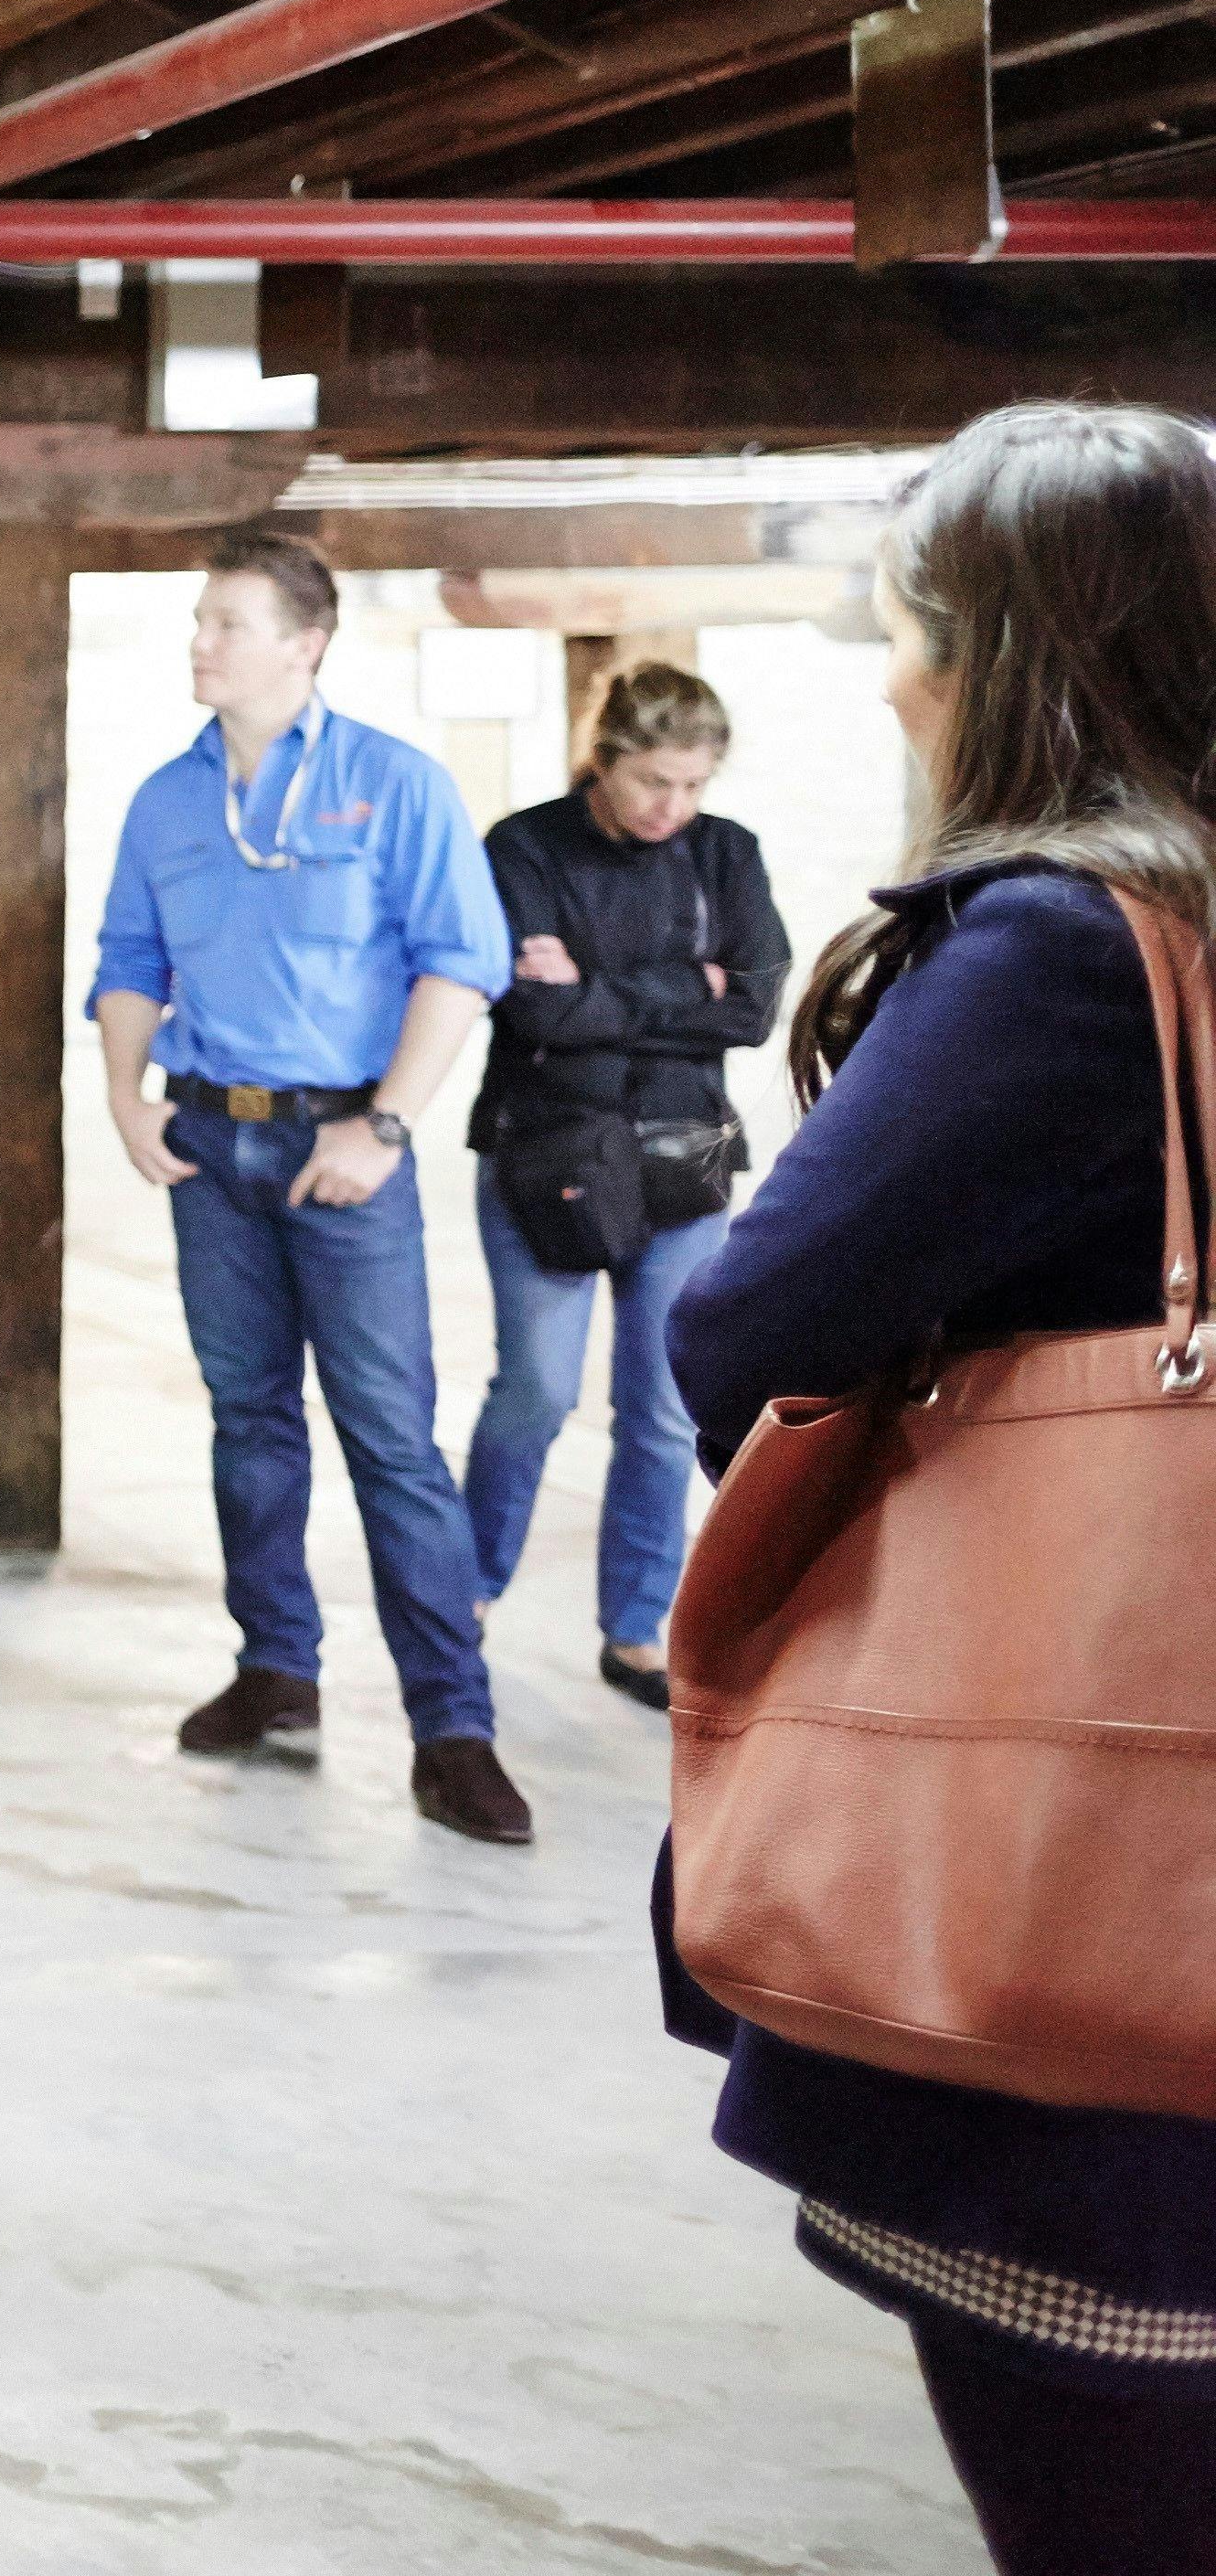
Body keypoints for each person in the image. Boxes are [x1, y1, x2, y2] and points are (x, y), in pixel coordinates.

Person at [664, 401, 1216, 2572]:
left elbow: (756, 1313)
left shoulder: (1070, 951)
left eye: (910, 625)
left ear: (1012, 659)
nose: (887, 673)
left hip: (1098, 1874)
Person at [89, 527, 532, 1843]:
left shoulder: (392, 786)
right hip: (210, 1148)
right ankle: (275, 1669)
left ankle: (454, 1731)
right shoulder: (168, 801)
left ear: (305, 642)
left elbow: (464, 965)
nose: (201, 642)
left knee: (391, 1443)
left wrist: (384, 1126)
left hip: (346, 1155)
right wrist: (125, 1094)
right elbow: (127, 956)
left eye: (227, 621)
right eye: (199, 621)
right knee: (249, 1425)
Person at [459, 660, 790, 1715]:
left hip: (681, 1161)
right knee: (537, 1391)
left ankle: (636, 1630)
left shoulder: (727, 855)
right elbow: (530, 1015)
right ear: (605, 760)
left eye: (693, 785)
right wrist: (680, 989)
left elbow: (754, 1005)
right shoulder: (523, 846)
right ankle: (462, 1593)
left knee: (658, 1410)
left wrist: (599, 991)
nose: (673, 808)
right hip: (547, 1155)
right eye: (654, 781)